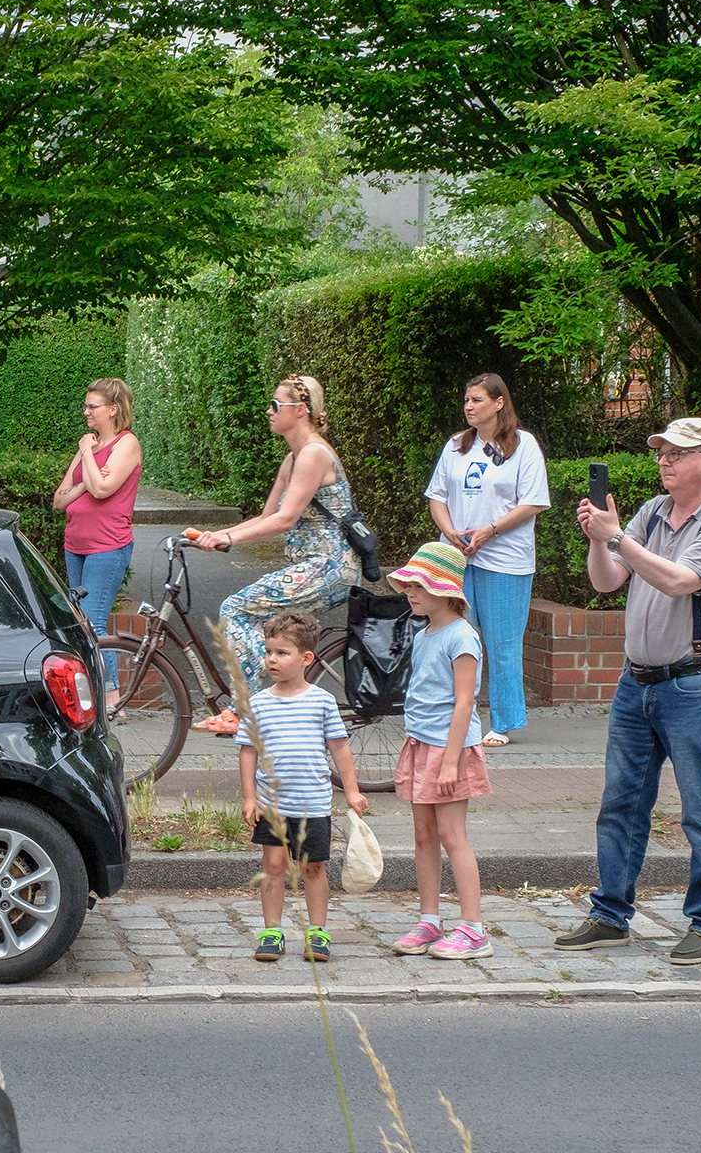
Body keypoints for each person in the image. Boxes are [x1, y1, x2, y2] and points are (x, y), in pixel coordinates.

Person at [557, 416, 701, 965]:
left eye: (676, 453)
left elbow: (678, 580)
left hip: (692, 685)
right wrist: (601, 541)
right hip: (635, 682)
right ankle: (610, 915)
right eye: (661, 452)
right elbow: (606, 580)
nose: (663, 460)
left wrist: (616, 536)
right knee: (620, 804)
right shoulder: (652, 512)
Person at [192, 375, 362, 734]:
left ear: (300, 411)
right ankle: (276, 708)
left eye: (275, 405)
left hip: (329, 566)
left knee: (235, 609)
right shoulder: (293, 458)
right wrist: (218, 536)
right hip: (308, 566)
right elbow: (267, 516)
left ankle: (248, 711)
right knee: (270, 632)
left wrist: (227, 539)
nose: (267, 411)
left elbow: (286, 519)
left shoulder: (315, 454)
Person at [425, 373, 549, 746]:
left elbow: (533, 502)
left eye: (477, 400)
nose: (468, 406)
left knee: (501, 642)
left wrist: (490, 530)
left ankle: (504, 722)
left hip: (505, 559)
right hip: (459, 557)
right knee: (453, 635)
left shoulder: (523, 446)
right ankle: (452, 714)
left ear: (499, 403)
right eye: (466, 400)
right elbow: (437, 495)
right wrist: (449, 531)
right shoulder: (456, 446)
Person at [238, 611, 368, 964]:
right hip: (272, 804)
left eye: (282, 653)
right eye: (268, 652)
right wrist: (250, 796)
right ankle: (272, 930)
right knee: (274, 865)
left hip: (313, 803)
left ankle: (317, 931)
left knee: (313, 867)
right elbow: (247, 751)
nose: (272, 660)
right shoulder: (259, 703)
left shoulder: (322, 701)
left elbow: (339, 747)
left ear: (306, 658)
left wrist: (353, 791)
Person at [382, 541, 492, 960]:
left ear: (445, 591)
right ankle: (430, 919)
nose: (410, 593)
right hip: (420, 743)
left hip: (451, 750)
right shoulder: (426, 631)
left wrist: (449, 761)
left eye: (419, 587)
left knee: (452, 835)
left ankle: (474, 928)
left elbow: (465, 702)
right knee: (424, 836)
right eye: (409, 585)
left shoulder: (462, 637)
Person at [51, 379, 143, 708]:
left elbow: (104, 489)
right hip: (75, 543)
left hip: (108, 545)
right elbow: (59, 500)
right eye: (86, 405)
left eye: (93, 406)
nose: (86, 411)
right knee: (79, 624)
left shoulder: (126, 444)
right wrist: (85, 480)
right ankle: (92, 699)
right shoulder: (87, 446)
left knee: (93, 622)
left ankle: (112, 701)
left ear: (113, 409)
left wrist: (88, 452)